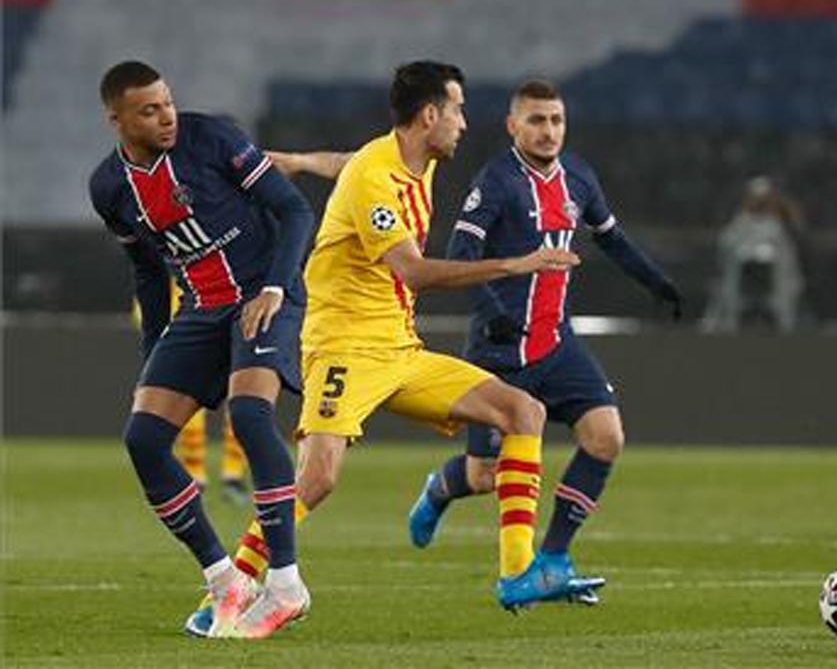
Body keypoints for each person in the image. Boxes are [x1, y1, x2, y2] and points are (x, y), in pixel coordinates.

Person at [185, 61, 590, 635]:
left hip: (398, 346)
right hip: (343, 346)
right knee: (317, 480)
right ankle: (227, 595)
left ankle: (518, 571)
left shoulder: (404, 159)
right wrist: (516, 264)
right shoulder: (379, 177)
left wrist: (299, 163)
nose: (464, 124)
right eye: (457, 110)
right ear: (430, 115)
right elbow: (414, 270)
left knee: (522, 411)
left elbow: (344, 163)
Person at [403, 79, 682, 602]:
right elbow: (460, 258)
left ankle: (553, 557)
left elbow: (612, 239)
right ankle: (440, 489)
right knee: (486, 475)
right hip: (498, 351)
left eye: (555, 120)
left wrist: (656, 281)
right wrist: (493, 313)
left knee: (606, 437)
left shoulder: (578, 177)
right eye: (536, 120)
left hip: (556, 344)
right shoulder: (496, 182)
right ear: (513, 125)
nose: (548, 130)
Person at [88, 60, 315, 638]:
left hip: (265, 293)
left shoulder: (212, 137)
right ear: (116, 120)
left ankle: (286, 584)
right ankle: (225, 580)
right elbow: (145, 269)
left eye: (166, 102)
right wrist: (154, 349)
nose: (166, 116)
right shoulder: (109, 187)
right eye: (149, 110)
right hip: (201, 310)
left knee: (249, 414)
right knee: (143, 439)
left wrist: (274, 287)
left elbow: (293, 210)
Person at [135, 281, 252, 505]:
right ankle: (198, 474)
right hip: (188, 307)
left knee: (243, 395)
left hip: (231, 302)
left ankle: (232, 474)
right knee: (185, 395)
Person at [702, 176, 807, 332]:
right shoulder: (740, 221)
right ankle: (727, 326)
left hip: (776, 280)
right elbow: (725, 245)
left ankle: (784, 328)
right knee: (724, 288)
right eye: (757, 199)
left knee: (789, 288)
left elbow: (790, 252)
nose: (760, 203)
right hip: (741, 276)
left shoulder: (777, 223)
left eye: (765, 199)